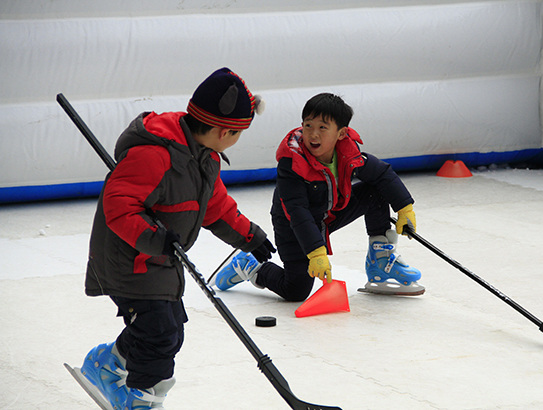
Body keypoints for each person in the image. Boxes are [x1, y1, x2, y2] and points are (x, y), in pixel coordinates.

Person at [78, 67, 275, 409]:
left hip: (162, 258)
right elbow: (119, 207)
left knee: (169, 330)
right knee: (159, 331)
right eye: (238, 132)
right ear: (223, 130)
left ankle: (110, 364)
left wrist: (249, 237)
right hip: (129, 259)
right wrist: (156, 238)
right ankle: (136, 395)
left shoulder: (205, 158)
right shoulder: (157, 154)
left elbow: (216, 206)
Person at [211, 92, 424, 302]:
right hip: (292, 226)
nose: (313, 134)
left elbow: (382, 173)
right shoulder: (292, 163)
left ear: (341, 133)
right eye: (308, 125)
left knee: (375, 190)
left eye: (323, 127)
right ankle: (251, 266)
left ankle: (380, 261)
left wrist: (404, 208)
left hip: (328, 214)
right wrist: (316, 253)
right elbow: (297, 211)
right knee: (296, 290)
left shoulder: (348, 153)